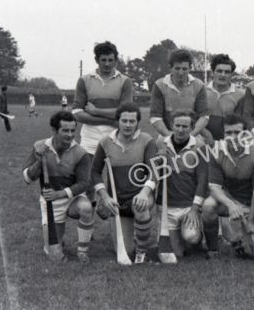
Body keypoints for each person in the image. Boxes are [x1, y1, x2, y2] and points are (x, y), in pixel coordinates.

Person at [22, 111, 94, 263]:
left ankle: (82, 251)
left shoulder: (81, 152)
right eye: (65, 130)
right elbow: (27, 178)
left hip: (72, 198)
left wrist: (60, 194)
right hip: (50, 202)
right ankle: (58, 241)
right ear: (54, 131)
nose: (70, 135)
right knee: (54, 255)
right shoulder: (39, 146)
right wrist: (39, 161)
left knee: (86, 208)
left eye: (72, 130)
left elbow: (83, 183)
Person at [91, 102, 158, 264]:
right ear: (117, 121)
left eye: (132, 121)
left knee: (140, 207)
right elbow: (94, 172)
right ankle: (133, 239)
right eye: (124, 121)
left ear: (137, 123)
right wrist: (105, 197)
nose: (128, 125)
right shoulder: (105, 142)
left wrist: (144, 193)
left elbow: (154, 171)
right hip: (117, 201)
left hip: (140, 196)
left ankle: (142, 252)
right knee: (126, 252)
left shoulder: (146, 140)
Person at [202, 114, 254, 258]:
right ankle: (213, 249)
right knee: (208, 206)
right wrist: (230, 204)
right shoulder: (216, 152)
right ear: (223, 134)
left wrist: (250, 220)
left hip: (252, 203)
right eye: (228, 133)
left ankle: (240, 239)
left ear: (245, 133)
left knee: (251, 253)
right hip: (229, 200)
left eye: (237, 132)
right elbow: (214, 187)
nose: (233, 137)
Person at [154, 111, 209, 258]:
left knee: (191, 237)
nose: (180, 130)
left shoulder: (199, 145)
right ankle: (177, 235)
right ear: (171, 125)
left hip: (188, 206)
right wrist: (159, 161)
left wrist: (194, 209)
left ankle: (198, 238)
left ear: (192, 128)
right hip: (167, 206)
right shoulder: (160, 143)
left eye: (185, 126)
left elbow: (203, 179)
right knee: (176, 254)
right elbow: (152, 174)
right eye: (177, 125)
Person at [72, 41, 134, 157]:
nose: (107, 64)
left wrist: (96, 112)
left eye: (110, 60)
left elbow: (125, 113)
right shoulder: (84, 80)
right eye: (103, 60)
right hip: (89, 138)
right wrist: (109, 121)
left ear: (116, 61)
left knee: (117, 175)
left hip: (117, 136)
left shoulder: (125, 81)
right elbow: (77, 113)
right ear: (97, 60)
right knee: (89, 174)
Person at [150, 49, 209, 139]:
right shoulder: (159, 85)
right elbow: (155, 116)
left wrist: (189, 137)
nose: (181, 73)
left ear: (190, 68)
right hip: (167, 135)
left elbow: (204, 116)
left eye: (184, 69)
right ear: (170, 68)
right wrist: (170, 137)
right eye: (177, 68)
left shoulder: (199, 85)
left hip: (192, 135)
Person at [205, 54, 245, 141]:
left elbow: (241, 124)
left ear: (231, 74)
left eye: (227, 72)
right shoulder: (202, 92)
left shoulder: (241, 95)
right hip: (205, 141)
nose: (223, 75)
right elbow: (195, 120)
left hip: (230, 142)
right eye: (219, 71)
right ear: (212, 72)